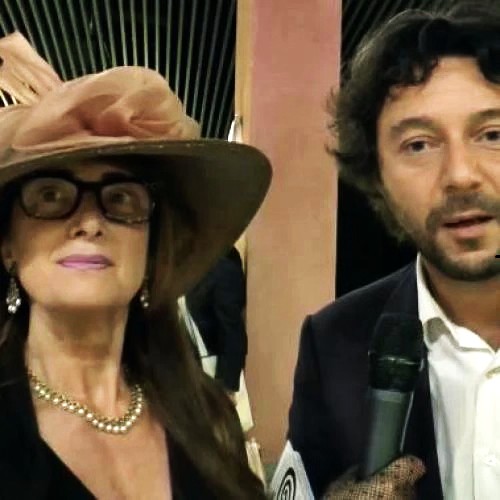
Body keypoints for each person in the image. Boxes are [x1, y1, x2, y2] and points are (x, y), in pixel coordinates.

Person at [0, 32, 271, 499]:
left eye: (121, 199)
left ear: (150, 246)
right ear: (7, 245)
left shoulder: (208, 420)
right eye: (50, 196)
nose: (89, 222)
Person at [288, 2, 500, 499]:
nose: (460, 175)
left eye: (493, 134)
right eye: (419, 145)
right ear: (377, 176)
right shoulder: (333, 344)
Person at [186, 246, 247, 399]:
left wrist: (226, 388)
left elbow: (232, 332)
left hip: (210, 374)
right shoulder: (174, 266)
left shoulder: (223, 266)